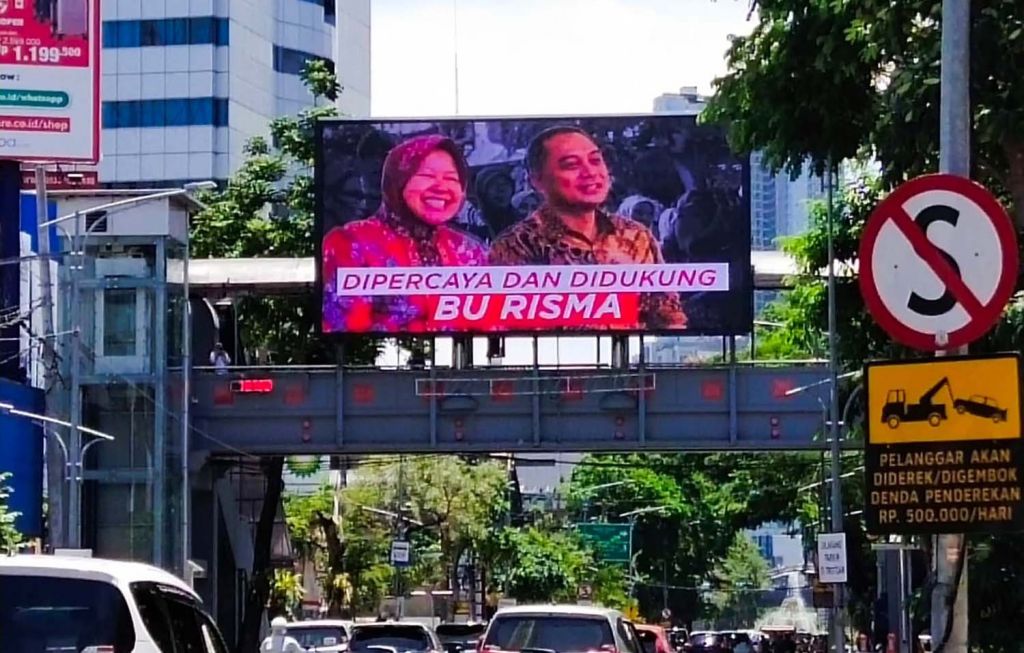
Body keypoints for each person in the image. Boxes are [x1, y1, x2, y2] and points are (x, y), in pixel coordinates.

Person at [488, 126, 685, 329]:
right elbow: (517, 326)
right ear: (537, 181)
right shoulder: (515, 245)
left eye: (595, 160)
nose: (591, 173)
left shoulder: (635, 235)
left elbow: (668, 315)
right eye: (572, 165)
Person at [322, 134, 488, 333]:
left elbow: (491, 320)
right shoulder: (350, 242)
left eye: (452, 178)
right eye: (427, 176)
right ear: (398, 181)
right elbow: (344, 324)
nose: (441, 187)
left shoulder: (469, 250)